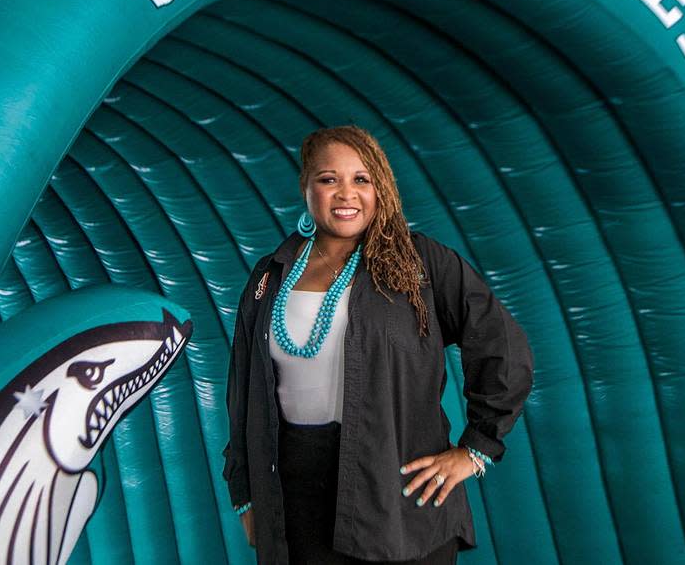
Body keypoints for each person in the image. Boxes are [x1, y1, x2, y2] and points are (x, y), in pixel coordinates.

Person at [222, 125, 534, 564]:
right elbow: (243, 392)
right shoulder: (271, 275)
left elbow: (504, 347)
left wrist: (475, 451)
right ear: (306, 188)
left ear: (380, 188)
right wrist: (246, 494)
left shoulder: (420, 263)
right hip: (294, 498)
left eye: (361, 180)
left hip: (396, 500)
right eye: (329, 179)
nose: (346, 193)